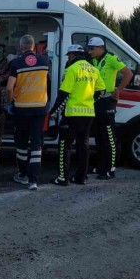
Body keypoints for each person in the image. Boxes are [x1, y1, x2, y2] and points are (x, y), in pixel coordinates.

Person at [50, 45, 106, 186]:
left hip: (72, 114)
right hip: (88, 114)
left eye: (69, 56)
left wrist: (53, 112)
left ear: (73, 56)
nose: (68, 59)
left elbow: (64, 94)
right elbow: (102, 90)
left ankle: (63, 178)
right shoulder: (94, 70)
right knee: (83, 147)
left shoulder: (72, 69)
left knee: (65, 146)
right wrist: (91, 101)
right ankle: (80, 178)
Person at [6, 35, 50, 191]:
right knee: (36, 145)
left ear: (20, 46)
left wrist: (9, 101)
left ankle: (23, 175)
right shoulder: (45, 62)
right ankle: (34, 181)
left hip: (22, 109)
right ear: (33, 46)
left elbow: (10, 87)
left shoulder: (16, 63)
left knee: (22, 144)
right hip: (40, 109)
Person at [87, 37, 134, 180]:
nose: (90, 52)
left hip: (108, 100)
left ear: (100, 48)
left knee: (109, 135)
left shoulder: (111, 58)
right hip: (96, 100)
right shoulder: (94, 61)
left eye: (92, 49)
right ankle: (101, 166)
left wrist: (118, 90)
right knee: (99, 135)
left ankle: (110, 169)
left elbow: (128, 73)